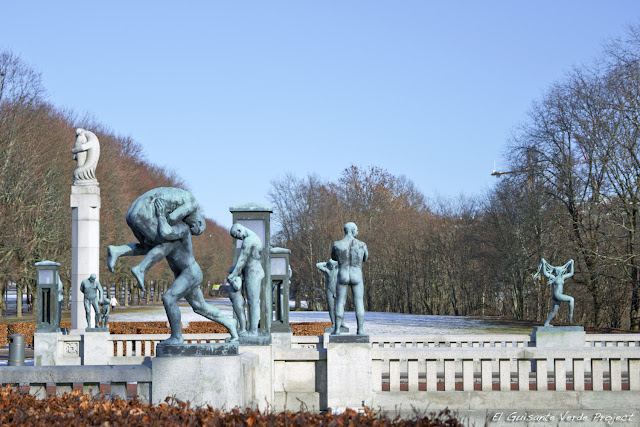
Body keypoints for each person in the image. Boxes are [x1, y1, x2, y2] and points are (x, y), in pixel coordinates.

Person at [108, 188, 238, 344]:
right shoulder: (179, 227)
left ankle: (176, 337)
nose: (193, 228)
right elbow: (163, 234)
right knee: (200, 307)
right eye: (195, 226)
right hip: (187, 274)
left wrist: (161, 215)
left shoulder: (182, 229)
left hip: (190, 273)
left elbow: (164, 232)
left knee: (169, 297)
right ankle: (231, 324)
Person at [107, 187, 205, 292]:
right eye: (191, 226)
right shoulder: (192, 204)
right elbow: (172, 218)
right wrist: (165, 222)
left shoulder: (185, 198)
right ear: (199, 222)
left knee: (150, 247)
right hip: (144, 212)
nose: (187, 225)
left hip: (132, 212)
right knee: (167, 243)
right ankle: (140, 269)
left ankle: (117, 251)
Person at [331, 222, 368, 335]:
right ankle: (360, 330)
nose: (357, 232)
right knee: (359, 302)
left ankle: (337, 330)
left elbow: (333, 257)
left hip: (343, 273)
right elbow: (365, 258)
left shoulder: (337, 244)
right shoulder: (362, 244)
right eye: (356, 230)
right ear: (352, 230)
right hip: (356, 274)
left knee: (340, 302)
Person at [227, 224, 264, 336]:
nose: (239, 238)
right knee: (253, 302)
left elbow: (242, 259)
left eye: (237, 236)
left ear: (239, 229)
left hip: (254, 273)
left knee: (253, 302)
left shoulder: (249, 240)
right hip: (253, 271)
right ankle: (252, 330)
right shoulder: (254, 238)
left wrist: (233, 275)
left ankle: (253, 331)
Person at [533, 258, 575, 326]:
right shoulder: (553, 277)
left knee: (554, 311)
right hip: (557, 295)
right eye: (558, 271)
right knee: (571, 299)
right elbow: (545, 273)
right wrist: (543, 263)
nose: (560, 271)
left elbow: (571, 273)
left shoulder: (563, 277)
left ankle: (546, 323)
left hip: (558, 295)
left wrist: (572, 263)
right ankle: (570, 315)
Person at [316, 259, 347, 332]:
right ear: (329, 266)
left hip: (337, 291)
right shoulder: (327, 271)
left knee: (340, 307)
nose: (332, 266)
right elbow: (318, 265)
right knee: (331, 308)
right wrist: (327, 263)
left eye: (333, 265)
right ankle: (333, 323)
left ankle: (341, 323)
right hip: (329, 291)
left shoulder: (338, 271)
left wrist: (338, 262)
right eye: (331, 265)